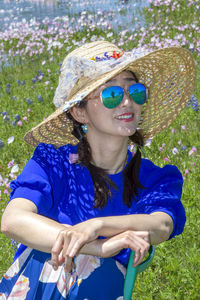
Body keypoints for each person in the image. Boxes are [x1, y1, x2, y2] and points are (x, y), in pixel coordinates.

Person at [0, 40, 196, 299]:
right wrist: (97, 248)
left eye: (135, 91)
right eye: (112, 94)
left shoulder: (154, 178)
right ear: (80, 112)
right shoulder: (52, 162)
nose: (127, 102)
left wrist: (97, 225)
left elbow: (161, 224)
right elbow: (13, 221)